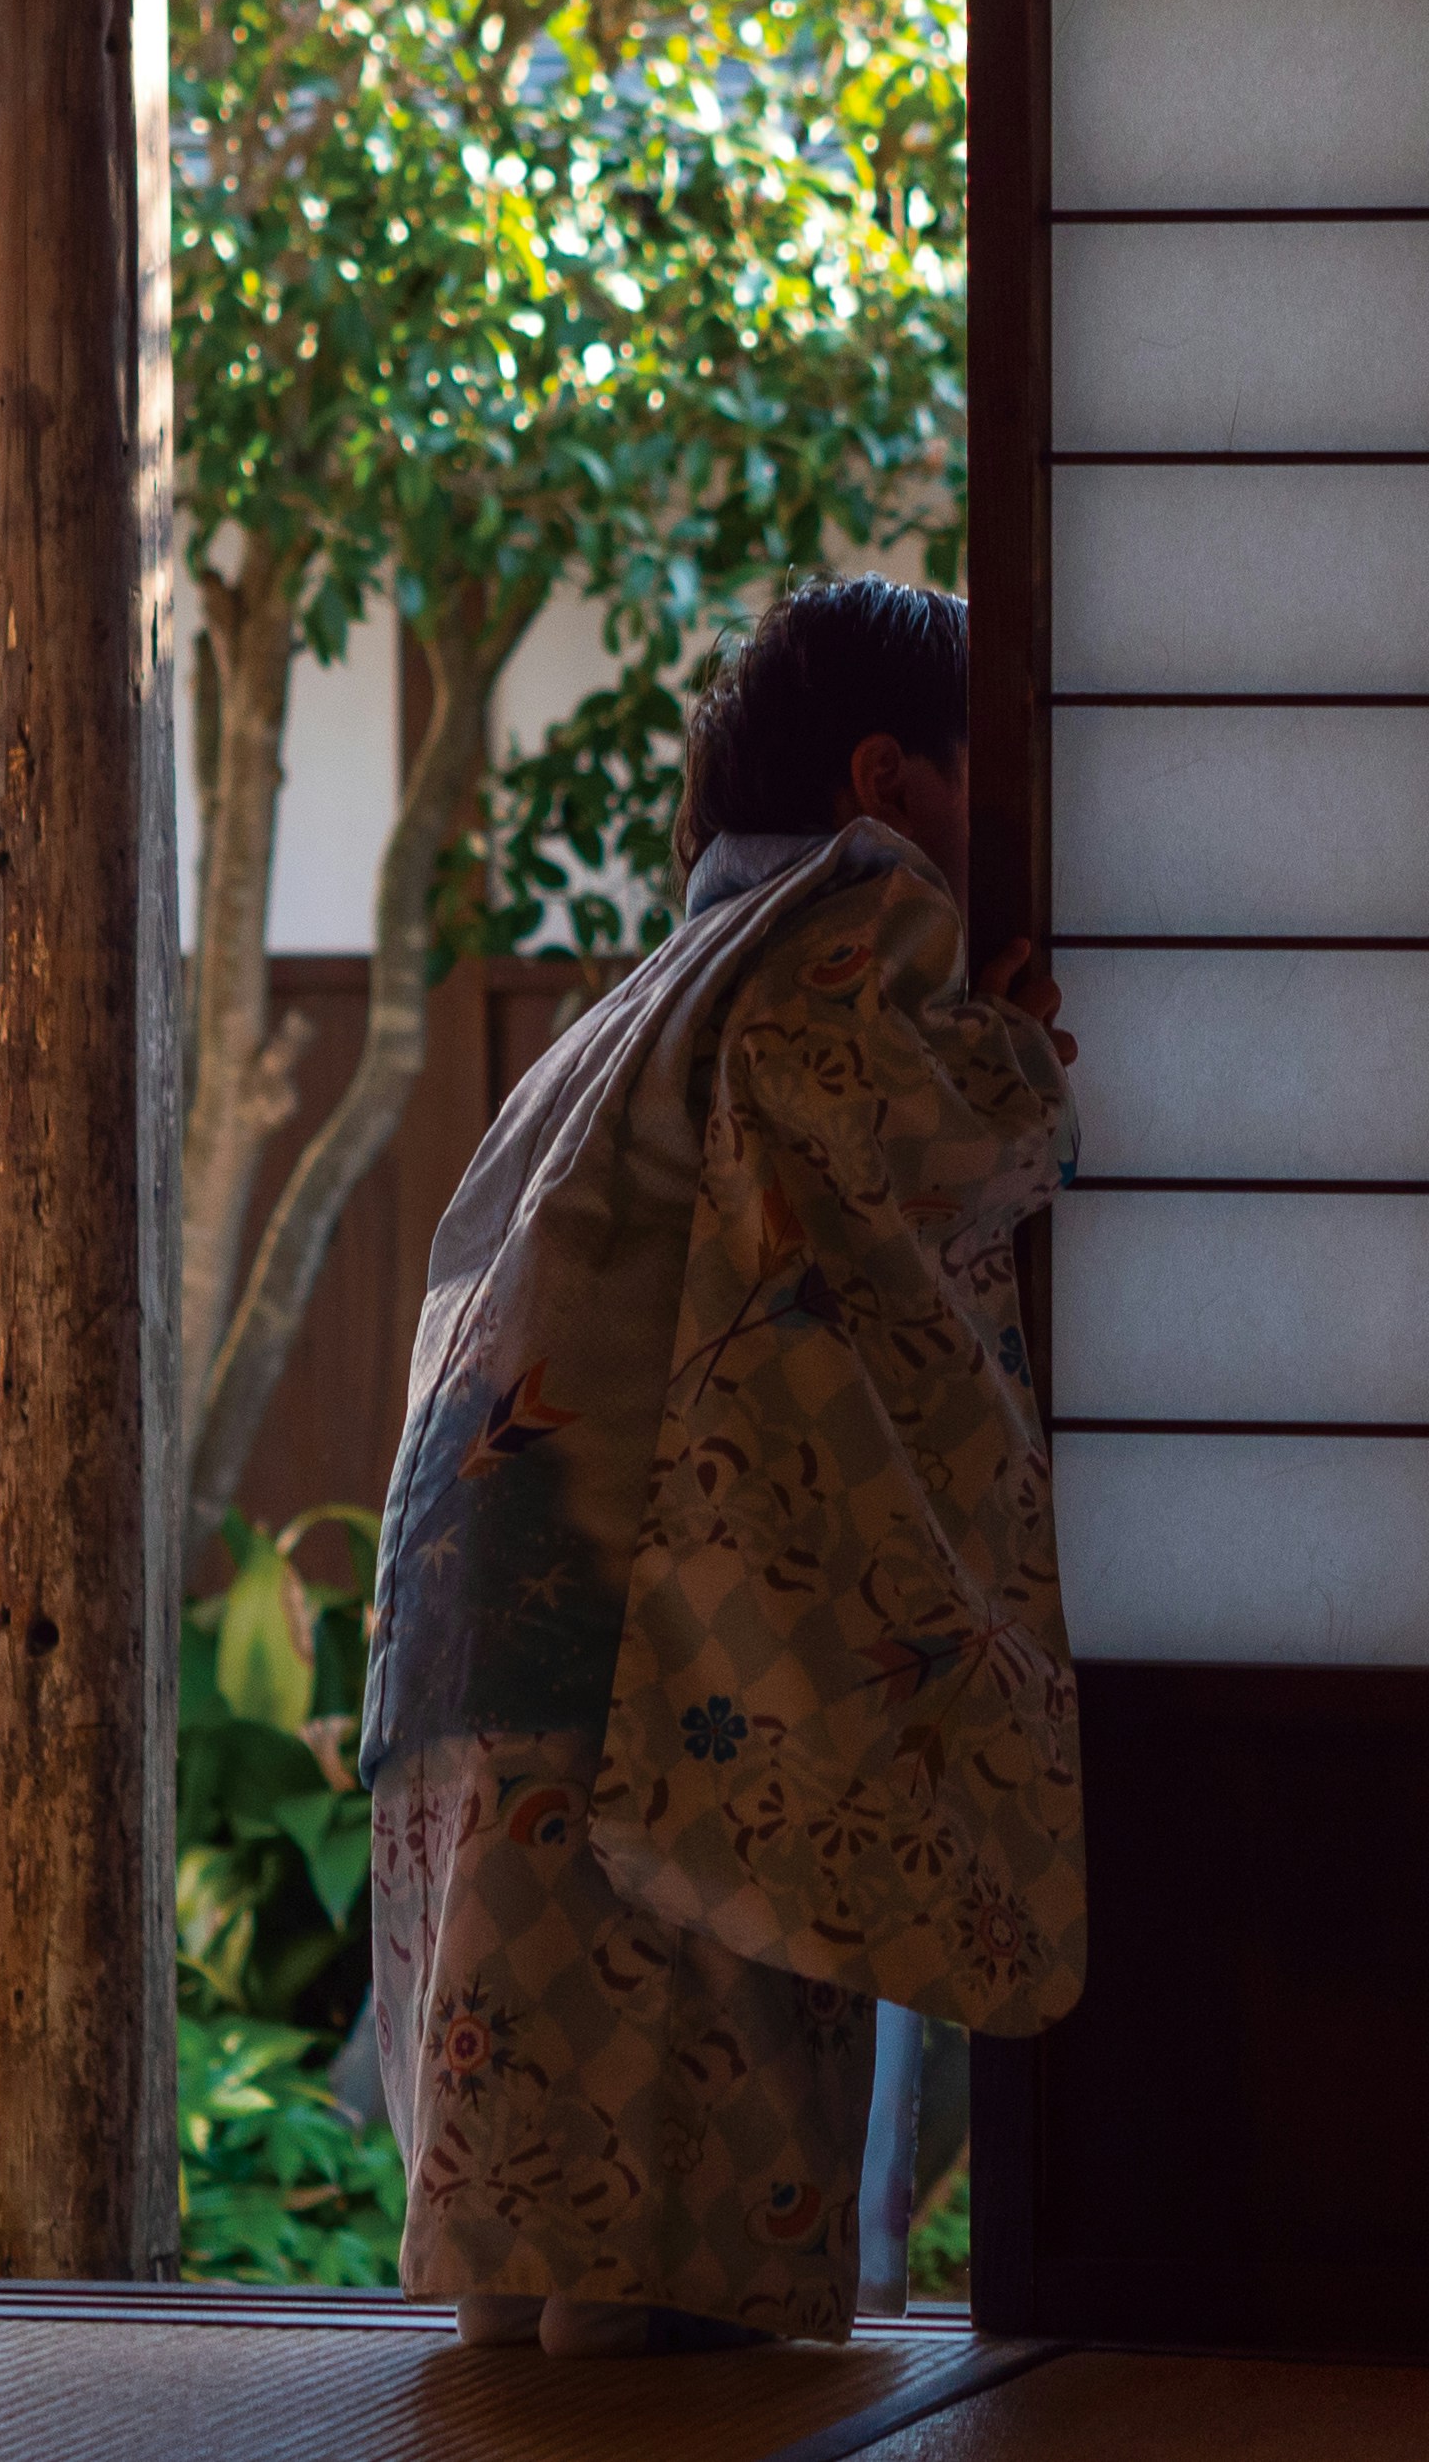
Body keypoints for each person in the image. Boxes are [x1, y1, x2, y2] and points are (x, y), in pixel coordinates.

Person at [359, 576, 1083, 2358]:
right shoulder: (858, 916)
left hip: (483, 1610)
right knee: (673, 2241)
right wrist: (1027, 1076)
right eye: (987, 766)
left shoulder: (645, 988)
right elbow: (904, 1138)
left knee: (536, 2194)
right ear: (888, 778)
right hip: (657, 1621)